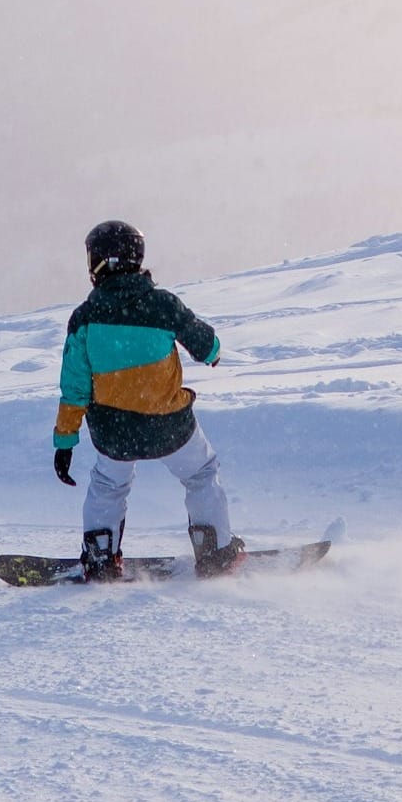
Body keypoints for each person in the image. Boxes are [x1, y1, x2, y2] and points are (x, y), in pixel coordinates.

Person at [51, 219, 244, 579]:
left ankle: (101, 557)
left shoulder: (85, 318)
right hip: (168, 425)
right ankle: (214, 551)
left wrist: (65, 442)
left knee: (109, 485)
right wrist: (214, 352)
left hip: (113, 431)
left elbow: (74, 387)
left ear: (94, 263)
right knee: (201, 473)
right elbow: (206, 345)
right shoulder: (162, 305)